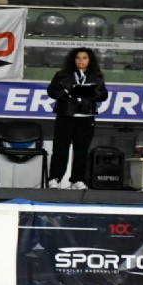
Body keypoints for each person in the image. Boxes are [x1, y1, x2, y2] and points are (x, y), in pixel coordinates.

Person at [46, 47, 108, 190]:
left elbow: (103, 95)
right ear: (73, 60)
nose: (81, 61)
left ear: (89, 60)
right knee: (60, 148)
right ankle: (54, 178)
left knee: (82, 150)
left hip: (86, 117)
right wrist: (66, 95)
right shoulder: (62, 75)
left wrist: (91, 93)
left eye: (84, 58)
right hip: (66, 116)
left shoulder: (96, 76)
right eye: (78, 58)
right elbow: (51, 90)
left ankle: (78, 179)